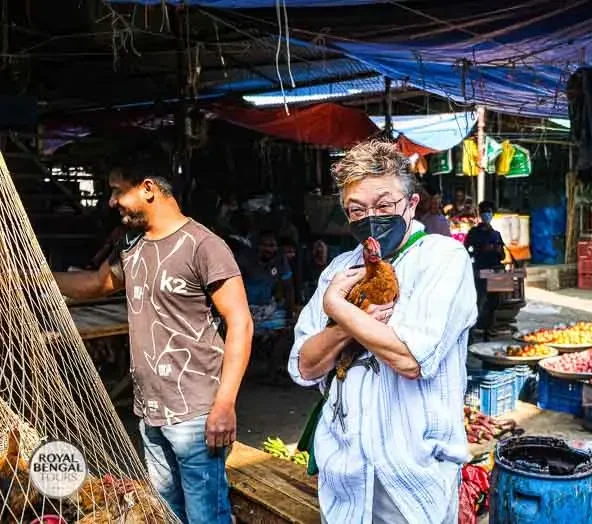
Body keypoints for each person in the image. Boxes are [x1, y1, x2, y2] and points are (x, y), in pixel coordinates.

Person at [53, 146, 253, 524]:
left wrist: (225, 404)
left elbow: (241, 322)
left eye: (117, 190)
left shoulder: (204, 246)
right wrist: (31, 276)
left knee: (206, 516)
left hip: (197, 414)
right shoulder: (133, 248)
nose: (111, 201)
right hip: (151, 414)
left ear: (147, 188)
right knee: (167, 514)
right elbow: (96, 284)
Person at [288, 139, 477, 523]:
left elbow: (410, 358)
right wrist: (344, 319)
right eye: (357, 210)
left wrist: (338, 308)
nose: (371, 218)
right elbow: (304, 366)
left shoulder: (442, 258)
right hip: (344, 478)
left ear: (410, 203)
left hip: (412, 480)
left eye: (385, 205)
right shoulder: (340, 269)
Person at [464, 201, 506, 341]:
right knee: (478, 303)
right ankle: (471, 335)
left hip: (495, 272)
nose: (487, 215)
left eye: (489, 212)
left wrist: (497, 250)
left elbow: (503, 256)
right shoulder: (474, 233)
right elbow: (467, 251)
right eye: (484, 212)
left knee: (493, 304)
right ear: (481, 214)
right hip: (479, 272)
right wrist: (480, 250)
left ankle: (488, 332)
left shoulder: (496, 234)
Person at [239, 231, 295, 317]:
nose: (268, 249)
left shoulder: (281, 260)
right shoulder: (245, 260)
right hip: (246, 308)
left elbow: (288, 288)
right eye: (264, 245)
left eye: (271, 245)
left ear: (276, 247)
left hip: (268, 308)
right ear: (258, 246)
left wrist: (290, 315)